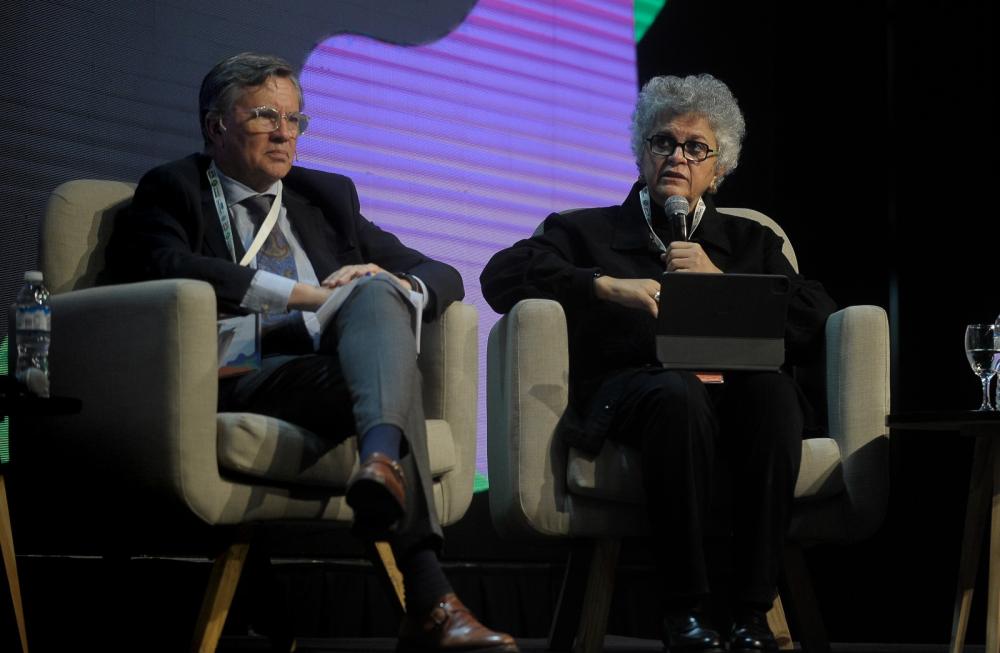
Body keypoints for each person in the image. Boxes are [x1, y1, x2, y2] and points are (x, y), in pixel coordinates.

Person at [107, 52, 518, 653]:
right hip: (233, 364)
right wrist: (305, 295)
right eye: (265, 116)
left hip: (322, 369)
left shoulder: (323, 197)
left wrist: (400, 287)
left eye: (295, 119)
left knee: (380, 291)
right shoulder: (175, 188)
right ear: (216, 126)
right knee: (382, 352)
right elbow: (167, 266)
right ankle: (431, 597)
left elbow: (442, 271)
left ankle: (380, 465)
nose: (283, 133)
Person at [480, 74, 836, 652]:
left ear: (718, 169)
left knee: (771, 396)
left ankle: (749, 612)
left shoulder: (750, 241)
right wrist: (601, 286)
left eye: (696, 148)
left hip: (737, 392)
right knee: (677, 394)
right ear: (642, 153)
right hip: (638, 392)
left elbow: (817, 315)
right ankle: (684, 611)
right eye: (663, 142)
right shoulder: (585, 230)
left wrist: (723, 283)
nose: (678, 156)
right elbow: (501, 275)